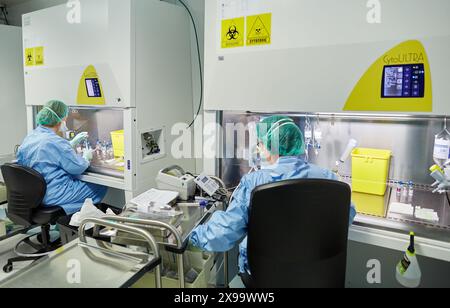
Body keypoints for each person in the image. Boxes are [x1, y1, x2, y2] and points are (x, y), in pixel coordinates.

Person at [190, 115, 357, 275]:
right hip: (316, 272)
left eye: (261, 144)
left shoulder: (254, 183)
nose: (258, 148)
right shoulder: (327, 177)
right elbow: (347, 215)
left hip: (265, 274)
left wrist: (194, 236)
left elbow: (225, 232)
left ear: (270, 146)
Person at [17, 100, 107, 215]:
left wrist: (70, 144)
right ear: (59, 120)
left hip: (34, 194)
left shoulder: (32, 136)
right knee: (100, 186)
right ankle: (80, 222)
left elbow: (47, 152)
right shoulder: (56, 142)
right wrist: (86, 157)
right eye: (65, 118)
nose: (66, 121)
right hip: (54, 194)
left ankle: (63, 223)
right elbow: (78, 167)